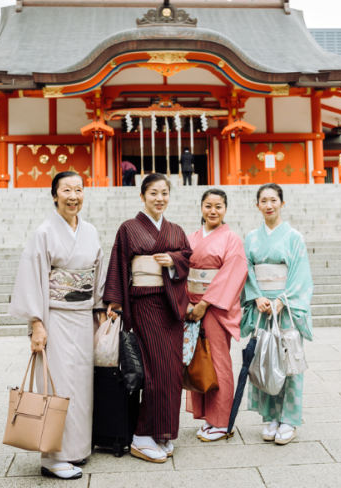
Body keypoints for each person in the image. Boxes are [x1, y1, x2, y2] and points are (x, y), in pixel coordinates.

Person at [8, 171, 107, 480]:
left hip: (82, 317)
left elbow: (98, 274)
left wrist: (100, 312)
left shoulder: (89, 231)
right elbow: (31, 278)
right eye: (67, 190)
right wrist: (36, 324)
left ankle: (76, 449)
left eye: (78, 190)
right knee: (57, 385)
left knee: (81, 385)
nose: (73, 196)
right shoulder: (44, 232)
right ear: (55, 195)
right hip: (55, 316)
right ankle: (52, 456)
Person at [104, 173, 192, 463]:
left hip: (170, 308)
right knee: (154, 370)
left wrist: (174, 261)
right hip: (144, 304)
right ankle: (142, 435)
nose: (159, 198)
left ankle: (163, 433)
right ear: (142, 196)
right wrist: (115, 302)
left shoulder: (176, 230)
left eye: (164, 193)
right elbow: (118, 264)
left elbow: (186, 258)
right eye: (153, 193)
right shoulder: (129, 228)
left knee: (171, 371)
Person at [240, 183, 313, 446]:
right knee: (265, 361)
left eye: (274, 200)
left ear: (282, 203)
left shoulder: (294, 237)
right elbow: (246, 270)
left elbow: (301, 274)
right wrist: (256, 296)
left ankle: (290, 419)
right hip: (262, 308)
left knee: (288, 362)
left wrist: (284, 300)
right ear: (257, 205)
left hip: (286, 309)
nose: (269, 205)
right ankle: (271, 416)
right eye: (263, 200)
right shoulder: (250, 238)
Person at [185, 189, 248, 441]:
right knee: (198, 359)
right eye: (208, 206)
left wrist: (206, 303)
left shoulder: (231, 238)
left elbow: (233, 273)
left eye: (218, 206)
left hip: (214, 308)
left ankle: (222, 422)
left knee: (218, 361)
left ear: (225, 209)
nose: (213, 211)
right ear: (201, 207)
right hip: (191, 306)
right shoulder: (190, 238)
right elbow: (182, 270)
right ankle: (209, 418)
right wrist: (187, 303)